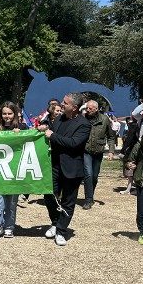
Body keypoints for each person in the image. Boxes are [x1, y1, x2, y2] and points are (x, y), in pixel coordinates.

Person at [39, 93, 91, 246]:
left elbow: (74, 143)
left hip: (72, 168)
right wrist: (45, 128)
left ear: (74, 108)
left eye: (65, 103)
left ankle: (61, 230)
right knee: (49, 195)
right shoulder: (60, 119)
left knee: (68, 201)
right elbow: (51, 131)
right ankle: (56, 222)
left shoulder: (84, 124)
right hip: (54, 165)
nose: (61, 104)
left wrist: (52, 135)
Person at [0, 102, 27, 239]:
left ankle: (9, 227)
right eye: (4, 113)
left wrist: (22, 134)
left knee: (11, 201)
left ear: (15, 114)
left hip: (15, 171)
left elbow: (32, 139)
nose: (7, 116)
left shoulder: (22, 127)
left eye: (9, 113)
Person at [81, 100, 116, 210]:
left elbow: (111, 136)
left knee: (95, 176)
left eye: (90, 108)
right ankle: (88, 200)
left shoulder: (104, 119)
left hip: (98, 151)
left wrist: (111, 151)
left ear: (96, 109)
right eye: (87, 108)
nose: (88, 110)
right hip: (85, 150)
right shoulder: (82, 118)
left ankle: (90, 196)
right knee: (88, 175)